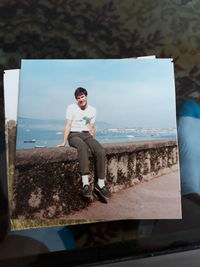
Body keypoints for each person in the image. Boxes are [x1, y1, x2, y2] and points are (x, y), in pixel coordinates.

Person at [57, 87, 111, 200]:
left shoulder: (93, 110)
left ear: (86, 96)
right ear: (76, 99)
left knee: (100, 150)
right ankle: (85, 184)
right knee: (82, 147)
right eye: (78, 98)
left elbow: (91, 128)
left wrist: (94, 143)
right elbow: (68, 125)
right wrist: (63, 141)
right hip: (74, 135)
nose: (81, 99)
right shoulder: (71, 108)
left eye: (82, 97)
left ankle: (100, 184)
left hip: (87, 135)